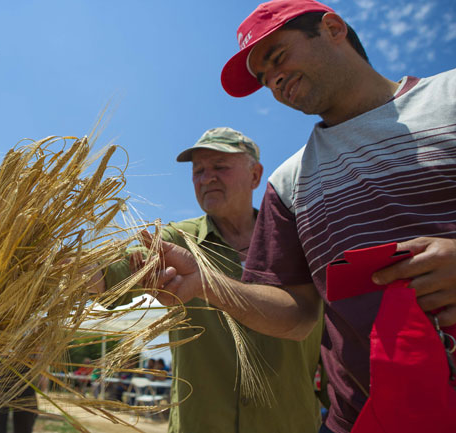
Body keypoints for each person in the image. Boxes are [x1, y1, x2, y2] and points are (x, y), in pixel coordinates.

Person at [150, 1, 456, 432]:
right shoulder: (290, 182)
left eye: (278, 57)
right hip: (360, 420)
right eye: (265, 79)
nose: (275, 81)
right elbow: (298, 312)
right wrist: (207, 285)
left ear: (333, 28)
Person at [93, 128, 323, 432]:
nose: (206, 178)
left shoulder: (300, 242)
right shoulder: (177, 239)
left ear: (255, 175)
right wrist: (73, 272)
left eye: (220, 167)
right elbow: (113, 271)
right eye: (198, 170)